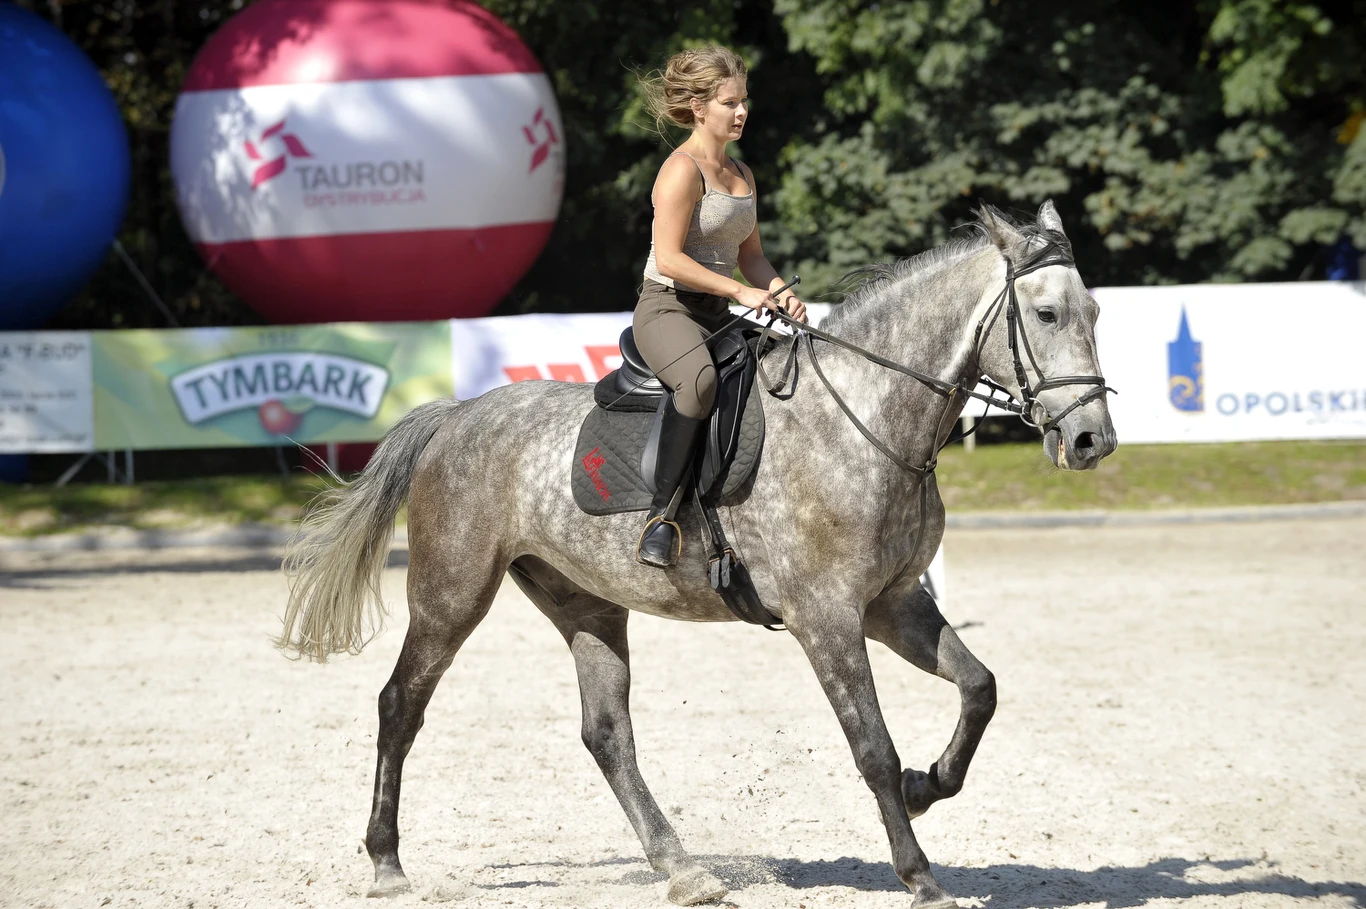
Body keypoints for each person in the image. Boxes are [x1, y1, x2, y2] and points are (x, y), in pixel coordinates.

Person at [632, 46, 807, 568]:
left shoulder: (743, 174)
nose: (741, 112)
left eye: (743, 101)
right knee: (700, 383)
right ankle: (660, 517)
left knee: (793, 368)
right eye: (729, 102)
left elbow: (751, 257)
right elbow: (669, 258)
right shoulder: (681, 171)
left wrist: (779, 290)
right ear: (697, 106)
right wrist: (738, 292)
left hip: (716, 314)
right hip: (667, 309)